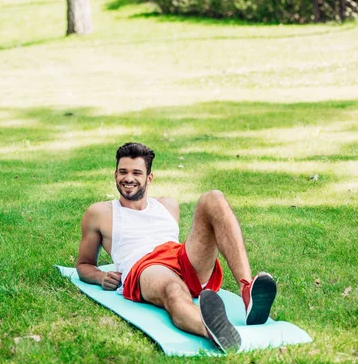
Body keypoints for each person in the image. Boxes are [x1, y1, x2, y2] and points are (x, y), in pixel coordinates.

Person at [76, 142, 276, 352]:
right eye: (123, 172)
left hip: (179, 256)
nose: (128, 178)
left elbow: (179, 249)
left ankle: (247, 289)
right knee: (173, 289)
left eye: (137, 172)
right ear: (115, 174)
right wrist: (100, 277)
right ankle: (214, 330)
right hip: (145, 266)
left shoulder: (168, 205)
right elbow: (83, 264)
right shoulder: (100, 213)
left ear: (149, 178)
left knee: (213, 198)